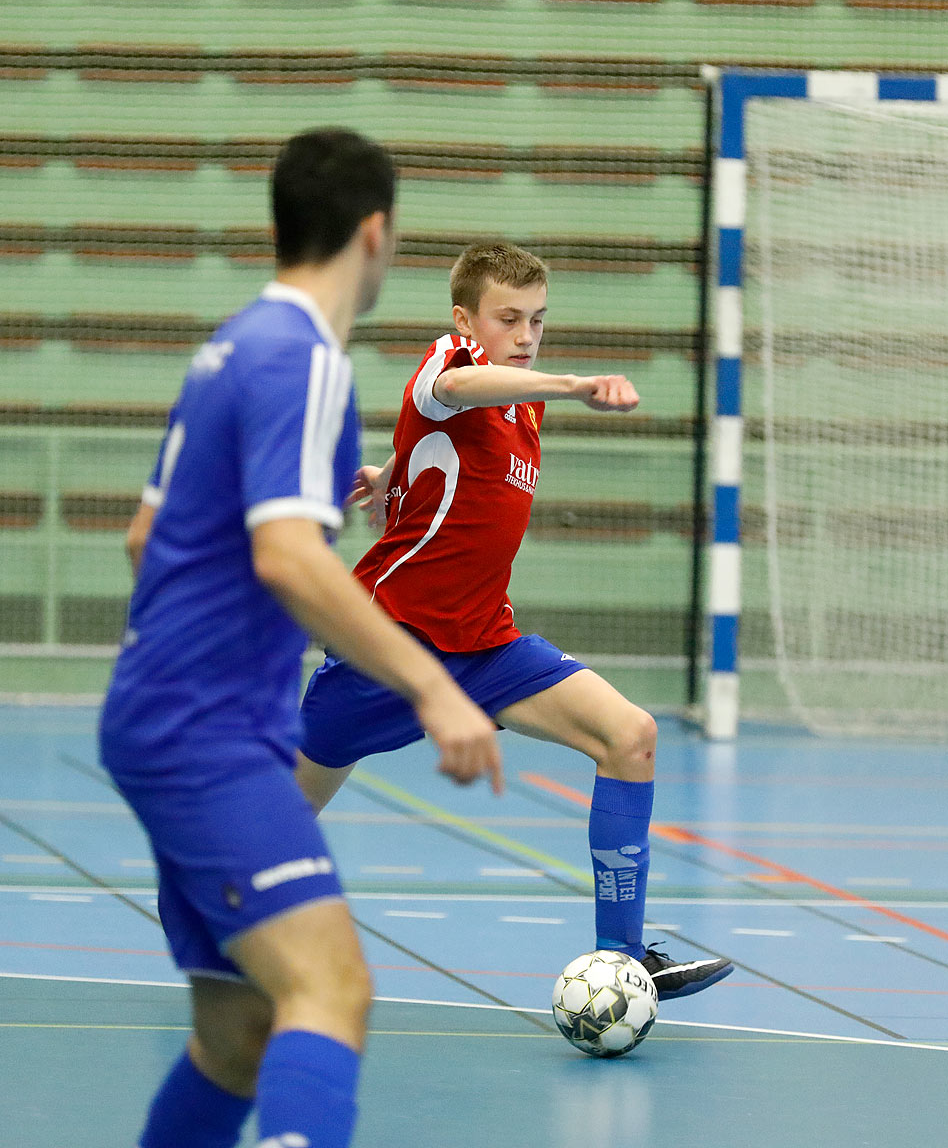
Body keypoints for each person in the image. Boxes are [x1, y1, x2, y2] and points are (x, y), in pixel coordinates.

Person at [100, 129, 504, 1148]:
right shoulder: (309, 358)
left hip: (162, 717)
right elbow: (287, 557)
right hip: (206, 734)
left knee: (239, 1036)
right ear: (375, 233)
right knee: (334, 990)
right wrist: (433, 687)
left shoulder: (230, 344)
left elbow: (146, 537)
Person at [294, 241, 734, 1000]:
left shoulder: (519, 404)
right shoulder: (452, 359)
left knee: (629, 735)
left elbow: (446, 437)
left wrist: (391, 471)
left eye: (537, 319)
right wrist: (572, 383)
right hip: (393, 647)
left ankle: (623, 961)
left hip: (486, 644)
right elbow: (452, 390)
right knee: (283, 814)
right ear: (466, 318)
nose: (526, 334)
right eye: (509, 318)